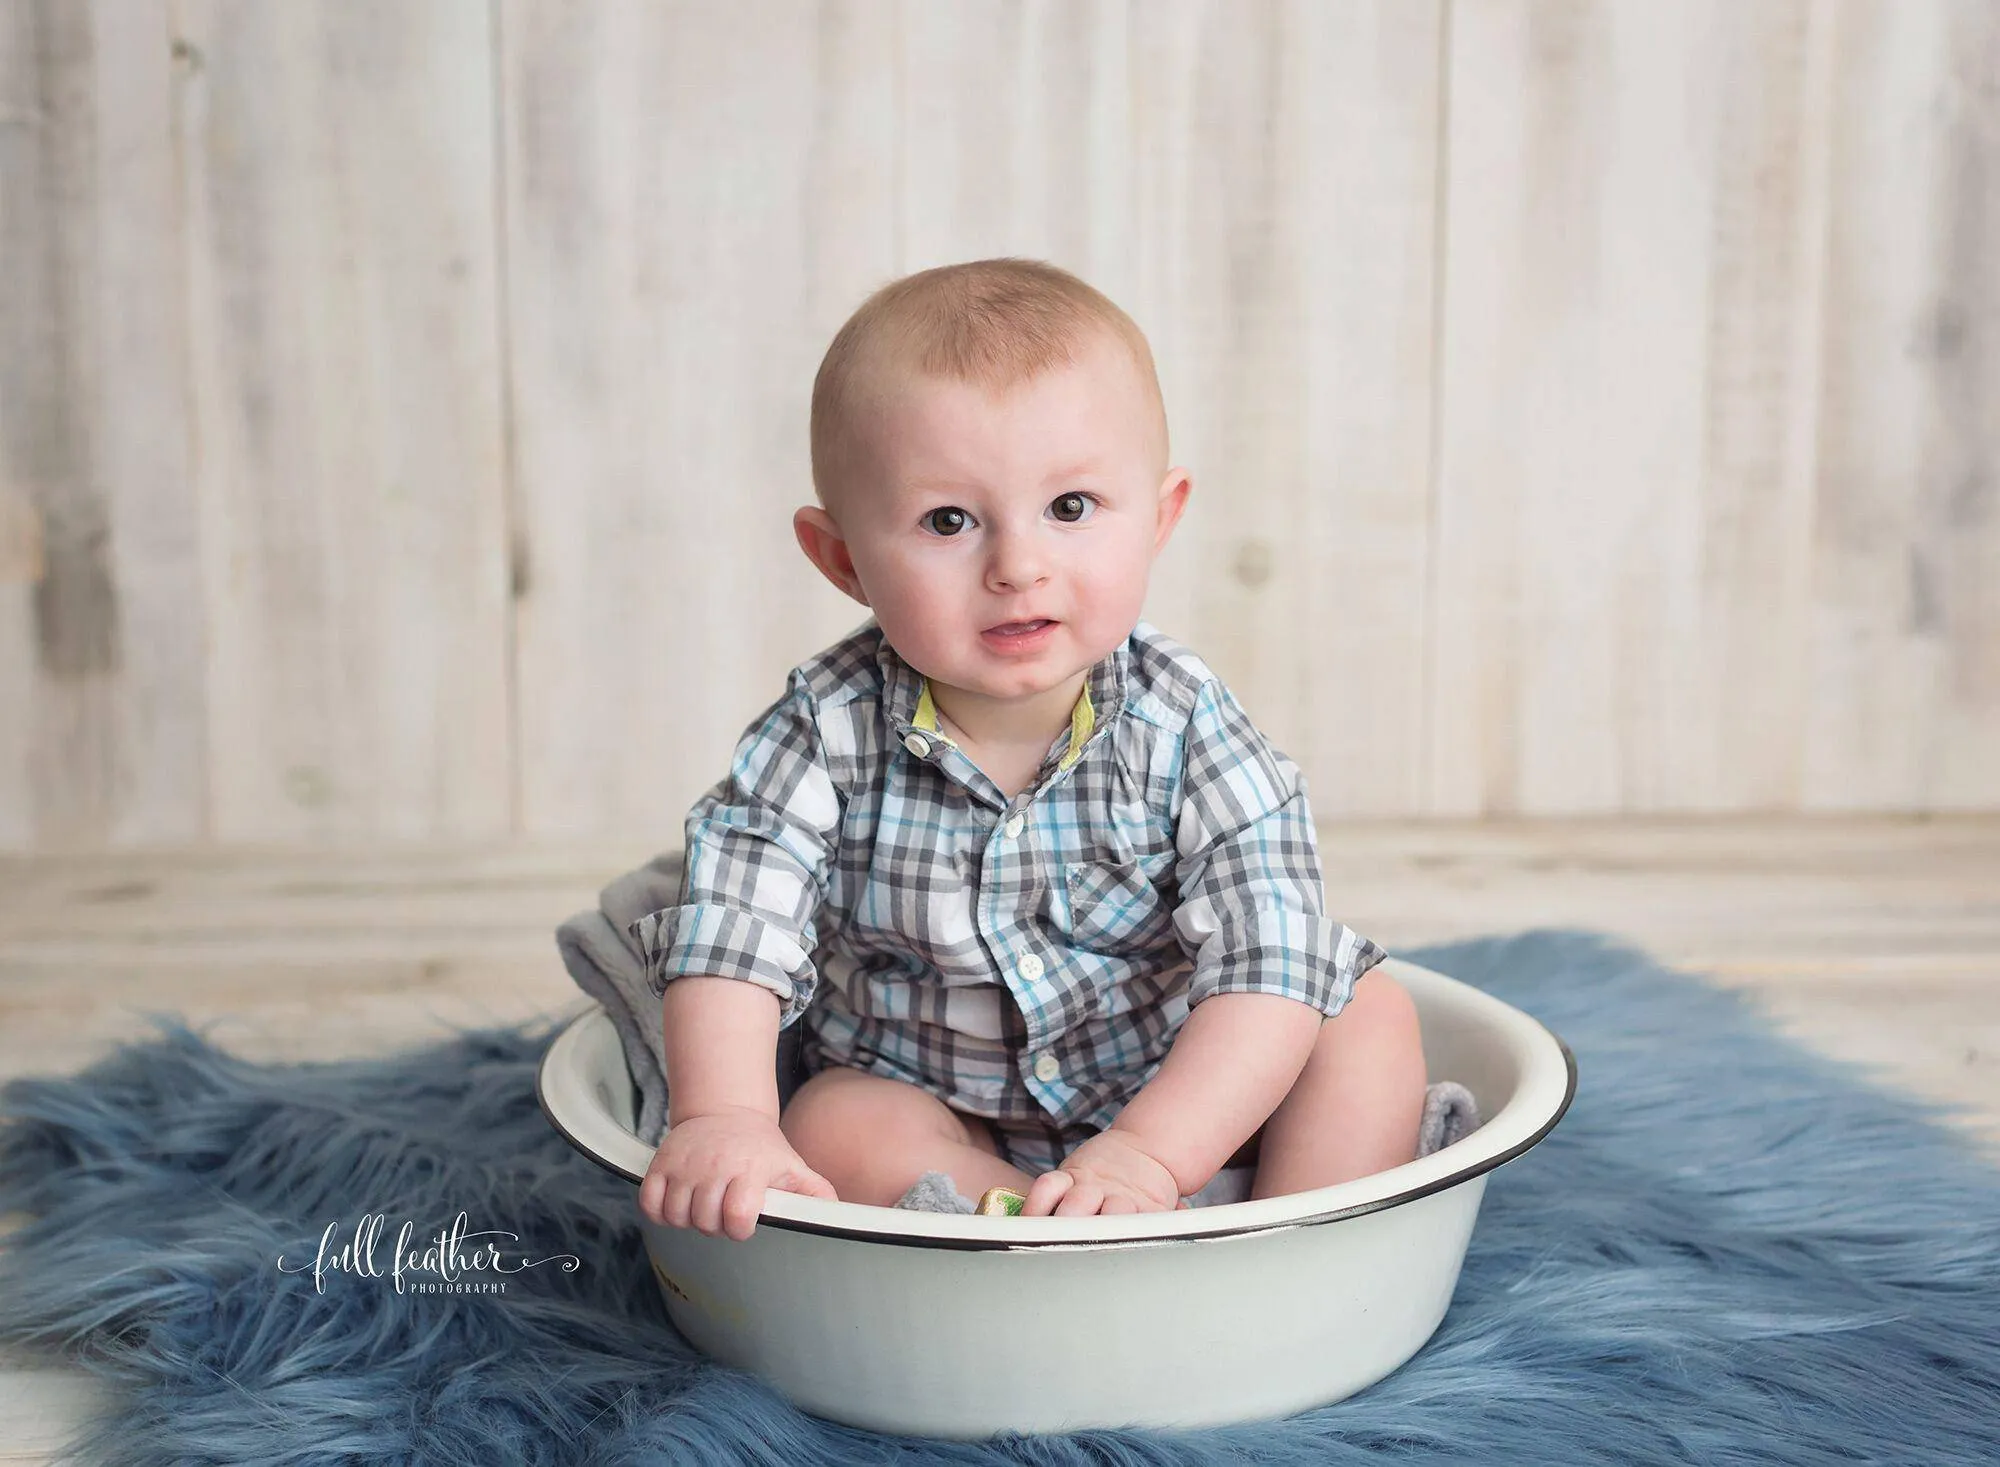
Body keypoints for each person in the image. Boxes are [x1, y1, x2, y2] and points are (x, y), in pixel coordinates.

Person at [634, 258, 1426, 1242]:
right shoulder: (820, 729)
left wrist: (1148, 1153)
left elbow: (1270, 952)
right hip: (939, 1106)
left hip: (1185, 1095)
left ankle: (1287, 1246)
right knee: (831, 1123)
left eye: (1069, 508)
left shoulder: (1186, 725)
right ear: (842, 559)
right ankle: (1026, 1232)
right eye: (948, 522)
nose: (1017, 566)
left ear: (1159, 518)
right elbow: (733, 926)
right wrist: (723, 1119)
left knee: (1364, 1015)